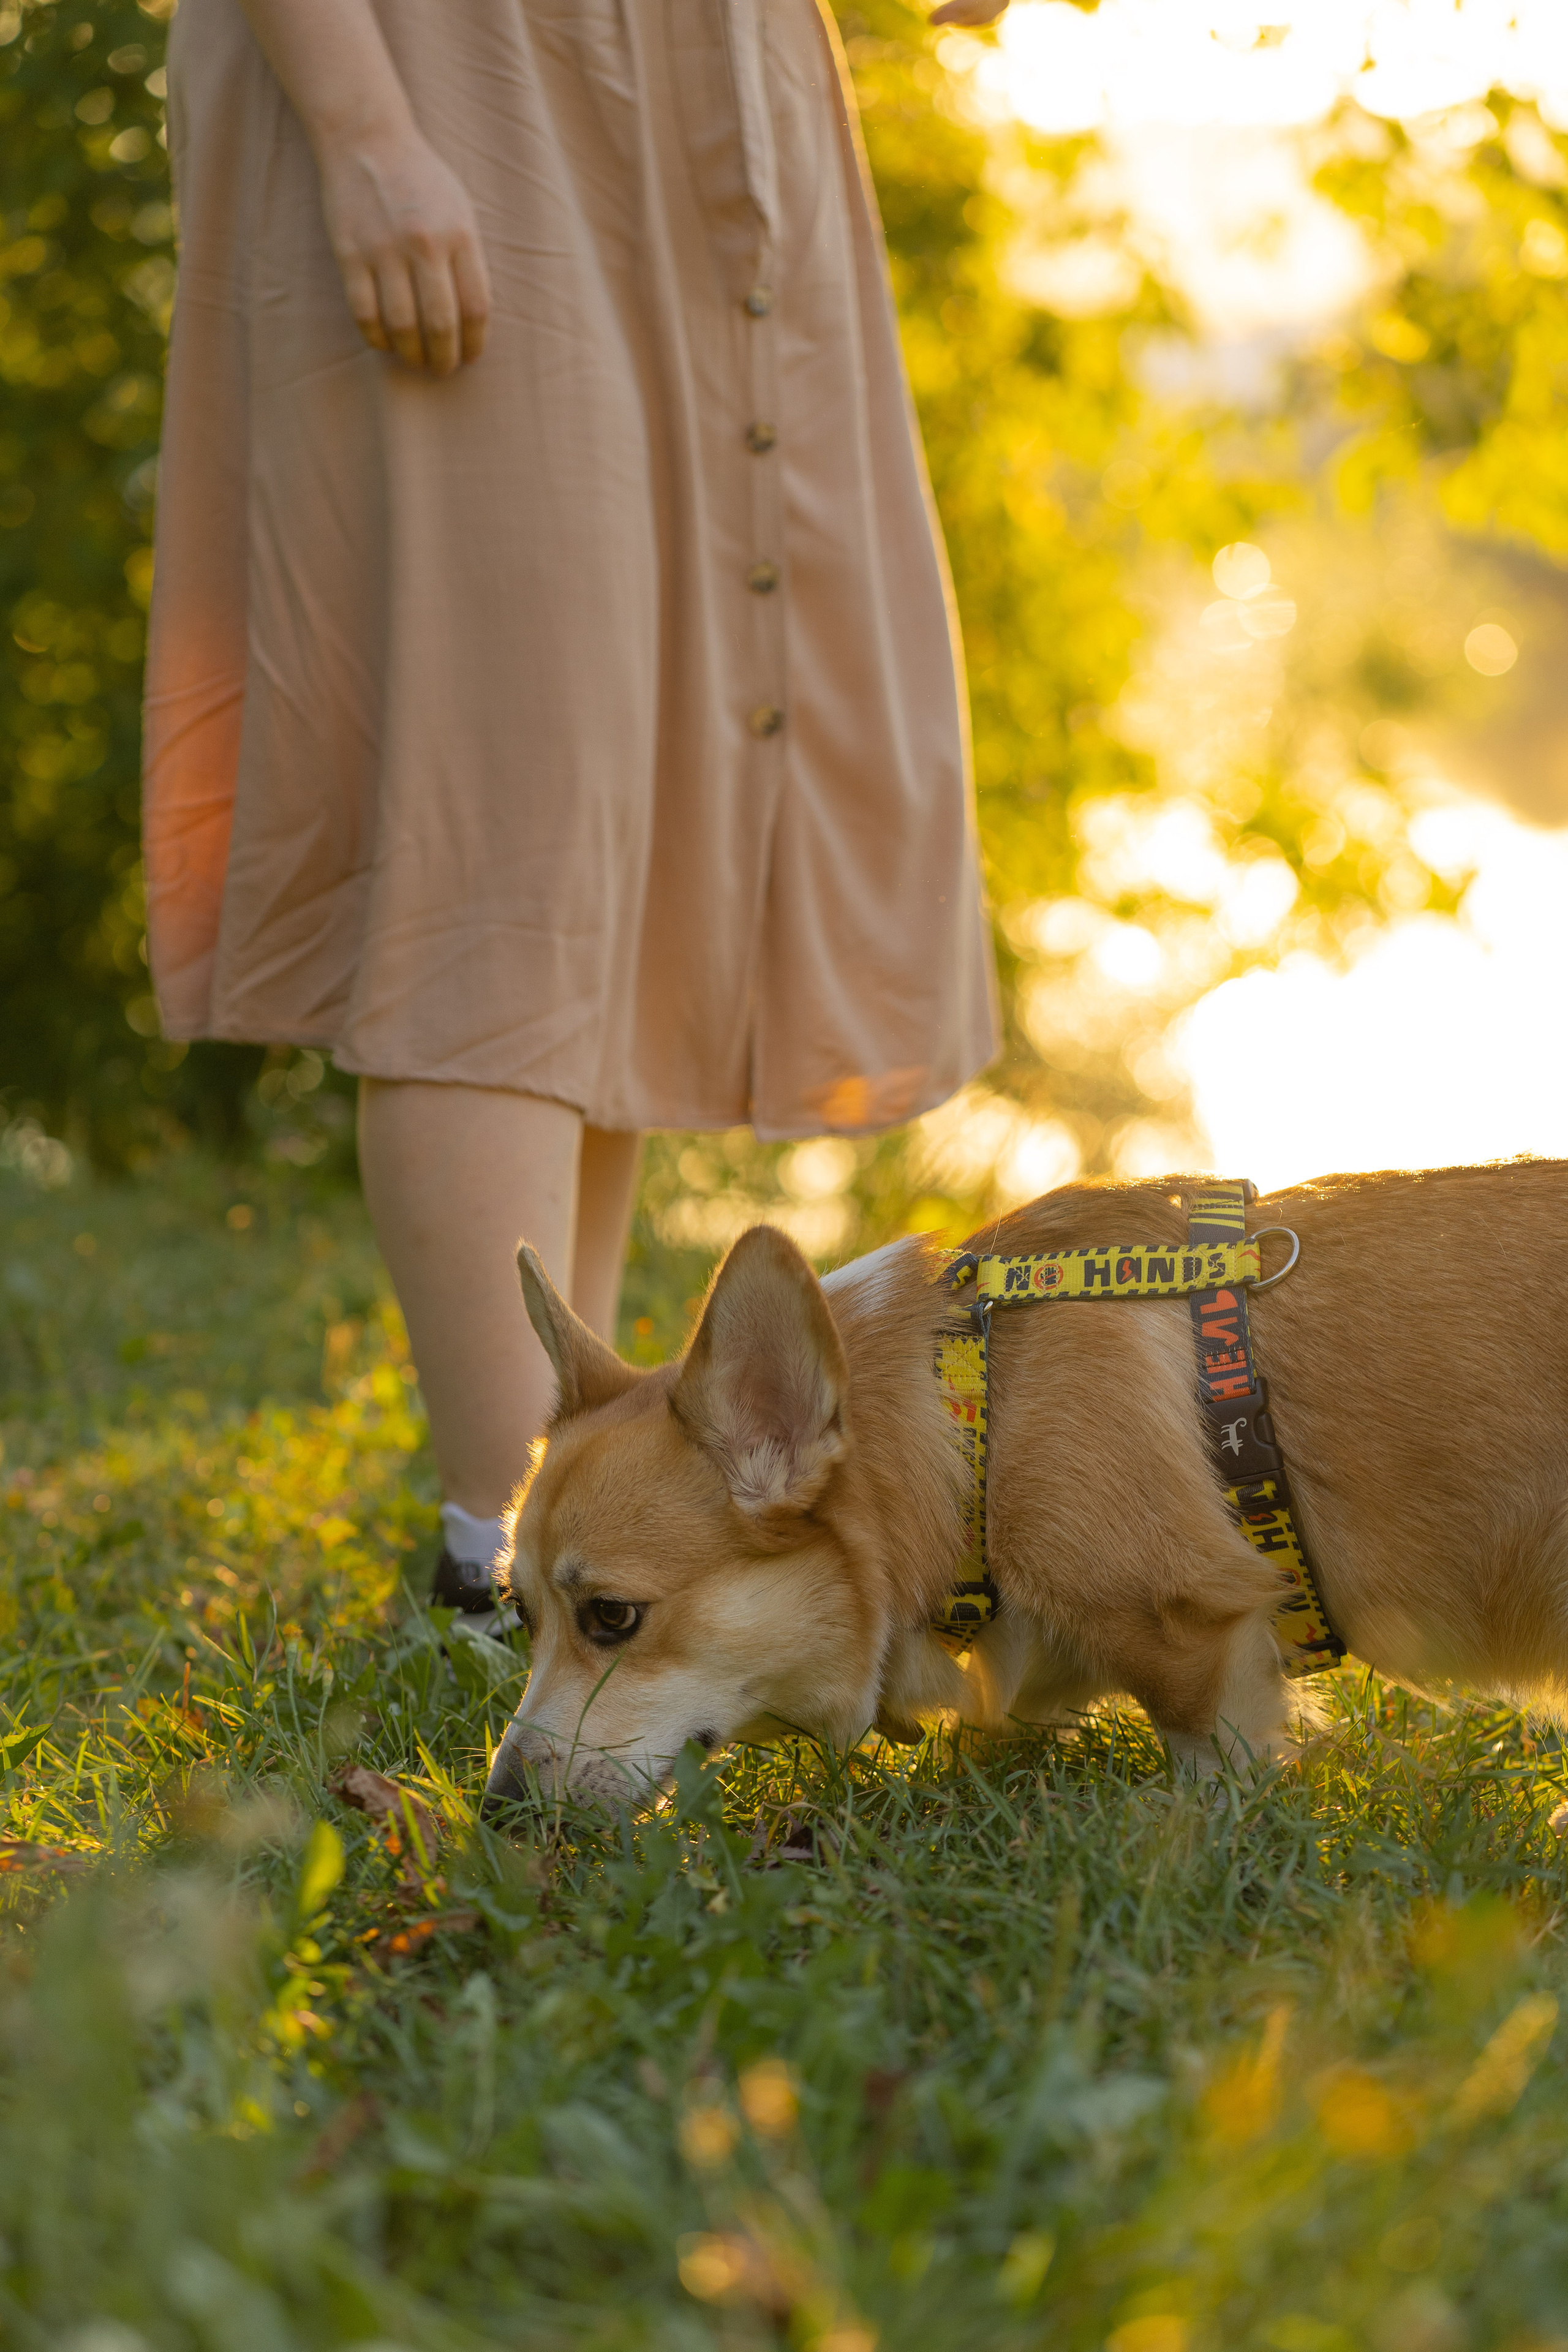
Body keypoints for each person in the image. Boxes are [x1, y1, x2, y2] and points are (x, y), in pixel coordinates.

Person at [141, 0, 1001, 1620]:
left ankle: (565, 1514)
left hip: (701, 84)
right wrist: (365, 131)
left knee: (620, 807)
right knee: (501, 805)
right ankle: (500, 1568)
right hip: (450, 72)